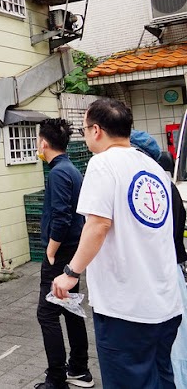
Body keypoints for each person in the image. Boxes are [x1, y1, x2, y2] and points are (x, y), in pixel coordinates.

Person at [53, 99, 182, 388]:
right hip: (164, 304)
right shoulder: (153, 167)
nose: (85, 137)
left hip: (127, 308)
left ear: (96, 130)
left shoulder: (102, 164)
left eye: (85, 130)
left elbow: (98, 224)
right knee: (161, 379)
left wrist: (71, 273)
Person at [33, 119, 91, 389]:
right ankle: (79, 368)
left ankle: (56, 378)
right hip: (73, 249)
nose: (37, 146)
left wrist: (50, 250)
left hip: (61, 252)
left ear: (44, 143)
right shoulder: (71, 169)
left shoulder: (58, 173)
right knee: (69, 308)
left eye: (37, 141)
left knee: (47, 314)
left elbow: (61, 217)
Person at [158, 151, 187, 387]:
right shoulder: (171, 188)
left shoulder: (160, 190)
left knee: (175, 342)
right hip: (175, 267)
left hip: (165, 270)